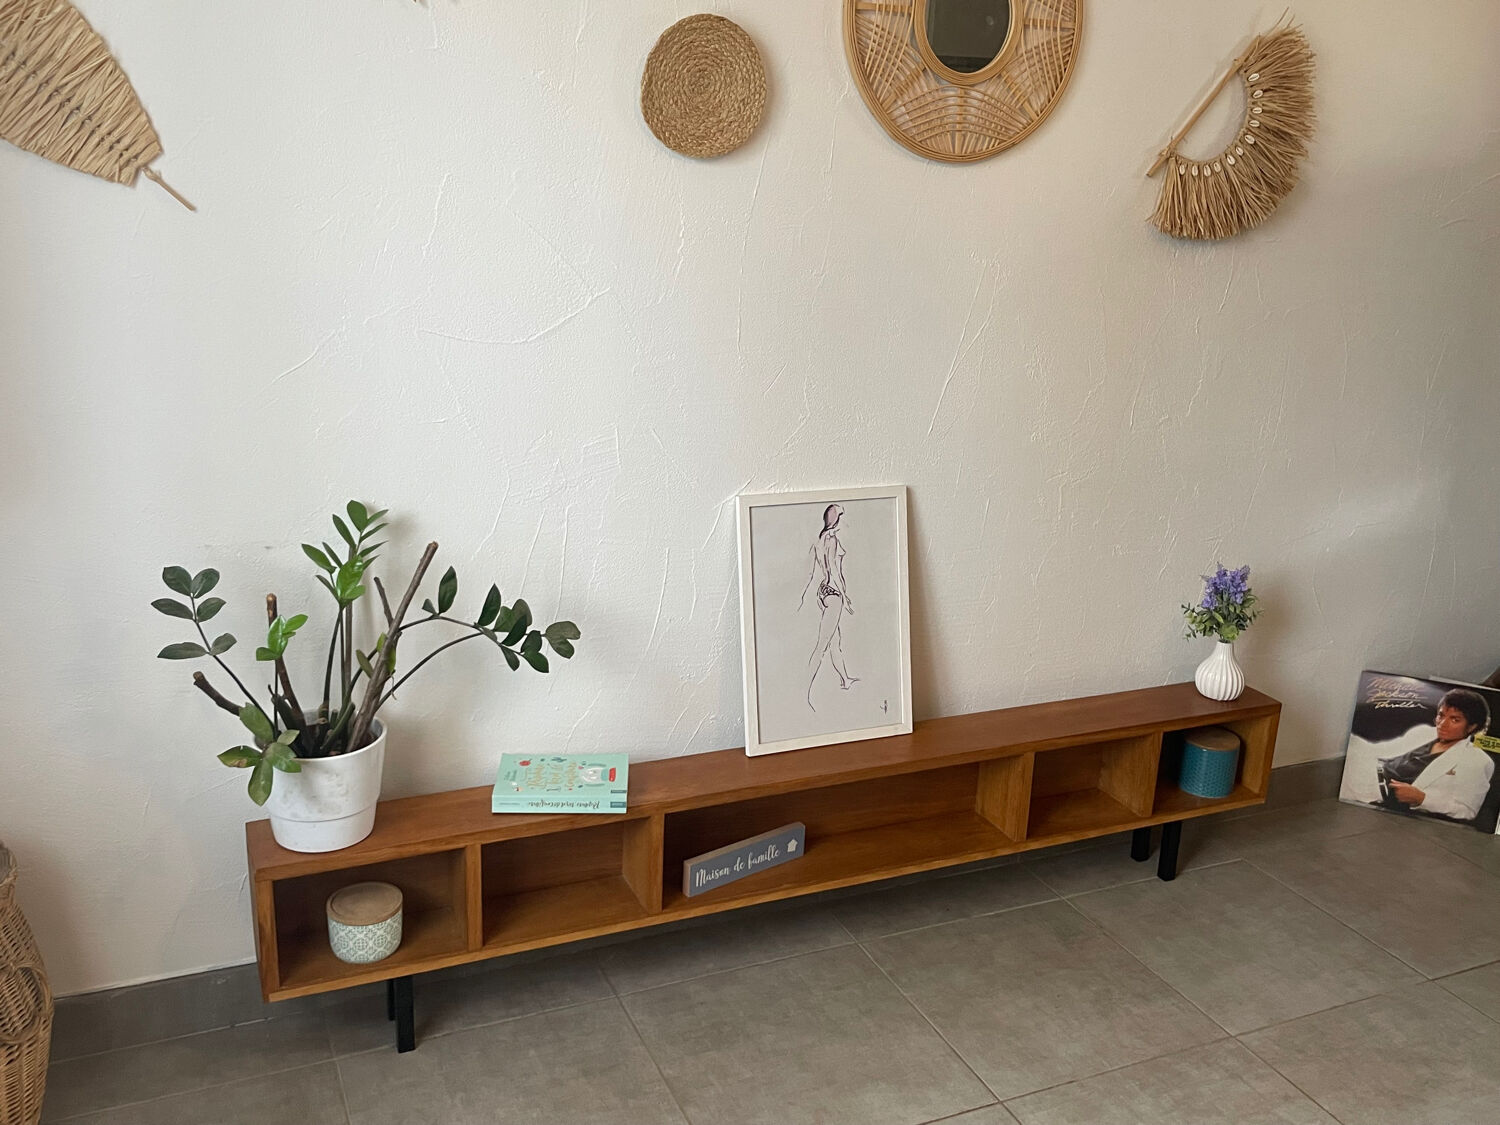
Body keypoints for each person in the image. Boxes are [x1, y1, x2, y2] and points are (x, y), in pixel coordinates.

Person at [1376, 689, 1493, 823]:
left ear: (1472, 726)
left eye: (1455, 719)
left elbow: (1467, 811)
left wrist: (1422, 799)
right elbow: (1381, 751)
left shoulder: (1478, 760)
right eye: (1441, 715)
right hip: (1370, 785)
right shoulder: (1423, 733)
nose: (1442, 724)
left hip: (1398, 814)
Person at [799, 503, 857, 708]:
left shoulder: (819, 539)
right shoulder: (832, 539)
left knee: (834, 641)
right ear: (836, 519)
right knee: (822, 645)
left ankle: (845, 679)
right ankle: (803, 691)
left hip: (823, 593)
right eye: (841, 515)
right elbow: (834, 568)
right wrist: (845, 595)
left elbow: (817, 570)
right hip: (834, 594)